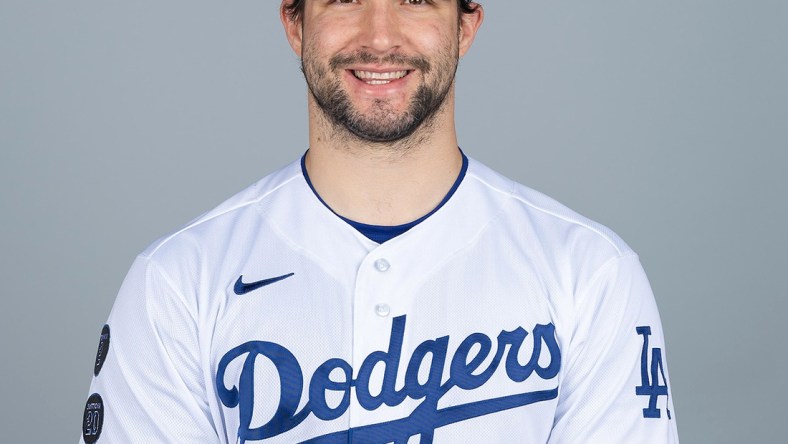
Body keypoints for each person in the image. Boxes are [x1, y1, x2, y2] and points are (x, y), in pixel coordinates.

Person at [81, 1, 679, 442]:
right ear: (294, 23)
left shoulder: (591, 273)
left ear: (466, 25)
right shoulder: (176, 283)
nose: (379, 35)